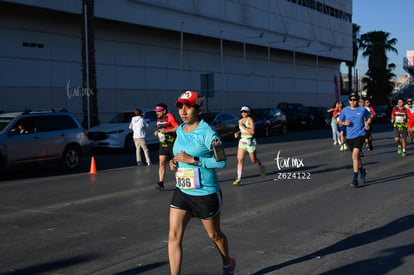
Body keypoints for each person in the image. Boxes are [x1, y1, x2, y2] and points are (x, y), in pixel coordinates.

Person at [168, 90, 235, 275]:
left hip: (205, 193)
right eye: (180, 106)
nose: (183, 111)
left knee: (214, 235)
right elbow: (181, 153)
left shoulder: (208, 132)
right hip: (182, 191)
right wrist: (175, 161)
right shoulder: (180, 129)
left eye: (188, 107)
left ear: (198, 108)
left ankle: (228, 262)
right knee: (173, 236)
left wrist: (195, 160)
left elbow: (221, 161)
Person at [337, 93, 372, 187]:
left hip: (360, 135)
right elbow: (339, 121)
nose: (353, 101)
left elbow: (369, 117)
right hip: (349, 137)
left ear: (358, 101)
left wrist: (368, 124)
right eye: (351, 100)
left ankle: (355, 179)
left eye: (355, 100)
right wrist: (344, 123)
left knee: (354, 156)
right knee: (357, 158)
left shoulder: (362, 109)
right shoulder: (345, 110)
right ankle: (362, 171)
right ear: (349, 101)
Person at [232, 106, 266, 185]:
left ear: (248, 113)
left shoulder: (250, 120)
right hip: (242, 142)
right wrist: (238, 133)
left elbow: (252, 132)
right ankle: (238, 178)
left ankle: (261, 167)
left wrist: (244, 126)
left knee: (253, 160)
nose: (243, 113)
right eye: (242, 112)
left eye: (245, 112)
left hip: (250, 142)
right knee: (240, 160)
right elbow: (242, 130)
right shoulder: (240, 121)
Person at [154, 103, 179, 191]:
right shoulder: (159, 118)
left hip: (173, 143)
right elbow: (161, 128)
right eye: (156, 111)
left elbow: (177, 127)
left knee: (177, 163)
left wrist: (167, 131)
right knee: (162, 162)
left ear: (164, 111)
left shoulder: (170, 116)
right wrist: (157, 132)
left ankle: (181, 181)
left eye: (159, 111)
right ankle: (161, 183)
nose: (157, 113)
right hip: (163, 143)